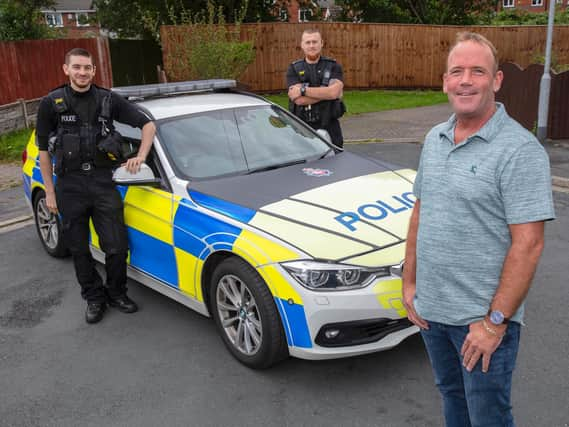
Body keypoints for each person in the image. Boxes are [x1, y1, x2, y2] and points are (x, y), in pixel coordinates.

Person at [402, 32, 555, 426]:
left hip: (481, 322)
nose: (465, 80)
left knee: (488, 415)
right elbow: (422, 212)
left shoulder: (520, 151)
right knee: (452, 397)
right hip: (432, 313)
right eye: (456, 71)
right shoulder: (434, 139)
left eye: (477, 71)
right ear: (445, 81)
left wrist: (494, 322)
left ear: (497, 80)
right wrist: (409, 282)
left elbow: (529, 245)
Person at [36, 48, 156, 324]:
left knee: (116, 246)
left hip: (103, 182)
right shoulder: (51, 103)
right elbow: (44, 151)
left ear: (93, 71)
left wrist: (141, 156)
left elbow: (147, 124)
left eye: (87, 68)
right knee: (78, 248)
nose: (82, 72)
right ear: (66, 69)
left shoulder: (107, 99)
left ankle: (117, 293)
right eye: (76, 67)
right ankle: (93, 297)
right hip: (69, 186)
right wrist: (50, 193)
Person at [286, 28, 346, 148]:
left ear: (321, 43)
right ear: (302, 45)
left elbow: (334, 93)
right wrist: (326, 93)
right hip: (302, 128)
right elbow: (298, 100)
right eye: (308, 42)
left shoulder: (333, 66)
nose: (311, 45)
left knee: (335, 162)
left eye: (315, 42)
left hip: (330, 127)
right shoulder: (293, 68)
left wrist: (303, 91)